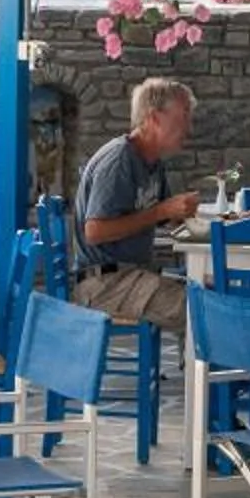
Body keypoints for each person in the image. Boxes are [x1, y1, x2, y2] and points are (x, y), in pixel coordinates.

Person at [70, 77, 200, 334]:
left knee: (206, 292)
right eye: (183, 116)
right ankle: (213, 372)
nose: (189, 126)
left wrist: (233, 218)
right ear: (153, 119)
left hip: (132, 275)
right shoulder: (119, 161)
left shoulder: (151, 161)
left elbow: (167, 216)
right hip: (104, 283)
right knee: (199, 308)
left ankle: (198, 371)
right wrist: (163, 211)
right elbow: (95, 232)